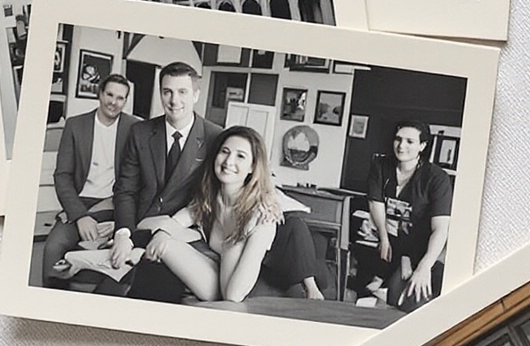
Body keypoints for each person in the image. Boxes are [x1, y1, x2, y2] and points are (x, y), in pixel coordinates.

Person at [126, 127, 325, 303]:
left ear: (252, 168)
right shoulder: (211, 199)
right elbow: (153, 223)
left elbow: (233, 295)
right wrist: (163, 233)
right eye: (225, 151)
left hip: (250, 290)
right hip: (218, 281)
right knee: (160, 243)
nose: (229, 161)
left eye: (241, 156)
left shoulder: (261, 216)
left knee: (164, 249)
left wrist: (235, 233)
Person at [108, 64, 211, 278]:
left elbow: (210, 199)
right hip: (140, 226)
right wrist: (123, 233)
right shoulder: (140, 132)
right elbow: (125, 189)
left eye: (182, 92)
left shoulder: (215, 137)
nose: (174, 101)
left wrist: (169, 232)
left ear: (196, 95)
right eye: (167, 92)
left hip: (182, 232)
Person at [41, 74, 134, 286]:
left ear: (125, 101)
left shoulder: (135, 128)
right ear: (100, 94)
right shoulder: (75, 125)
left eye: (120, 98)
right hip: (80, 203)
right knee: (53, 248)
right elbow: (62, 175)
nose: (113, 102)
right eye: (109, 94)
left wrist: (121, 223)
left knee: (120, 258)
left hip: (116, 204)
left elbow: (135, 183)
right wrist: (80, 216)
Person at [357, 123, 455, 308]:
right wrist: (384, 238)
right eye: (398, 139)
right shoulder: (380, 166)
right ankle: (378, 287)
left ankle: (386, 287)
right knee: (370, 270)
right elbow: (375, 204)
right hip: (384, 241)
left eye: (410, 141)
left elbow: (441, 229)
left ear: (422, 146)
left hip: (420, 248)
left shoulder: (437, 178)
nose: (401, 146)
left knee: (415, 291)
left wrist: (424, 266)